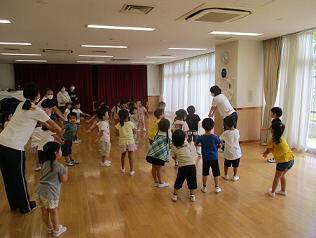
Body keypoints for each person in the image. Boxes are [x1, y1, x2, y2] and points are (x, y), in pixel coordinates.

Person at [0, 82, 61, 214]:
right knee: (19, 177)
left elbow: (40, 120)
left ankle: (14, 204)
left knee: (8, 177)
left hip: (2, 143)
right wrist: (58, 128)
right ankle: (25, 206)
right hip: (14, 147)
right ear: (37, 95)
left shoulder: (21, 105)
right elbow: (51, 123)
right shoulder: (36, 110)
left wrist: (50, 126)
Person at [34, 141, 68, 237]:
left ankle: (50, 228)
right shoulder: (59, 166)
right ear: (55, 154)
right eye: (60, 150)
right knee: (54, 212)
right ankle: (57, 230)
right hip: (51, 193)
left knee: (44, 211)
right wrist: (65, 171)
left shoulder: (44, 164)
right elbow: (64, 180)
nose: (61, 152)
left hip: (40, 191)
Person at [262, 122, 295, 197]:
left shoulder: (271, 140)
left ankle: (272, 192)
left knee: (277, 177)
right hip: (291, 159)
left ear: (272, 130)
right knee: (282, 175)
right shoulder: (282, 138)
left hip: (283, 161)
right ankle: (283, 191)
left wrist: (265, 153)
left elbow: (268, 150)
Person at [195, 118, 222, 194]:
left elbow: (196, 143)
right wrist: (217, 147)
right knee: (216, 173)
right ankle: (217, 187)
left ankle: (204, 187)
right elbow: (220, 145)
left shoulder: (202, 137)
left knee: (205, 173)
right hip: (214, 158)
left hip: (206, 158)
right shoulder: (215, 137)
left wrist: (201, 145)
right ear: (213, 127)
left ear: (203, 127)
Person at [171, 130, 197, 202]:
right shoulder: (187, 144)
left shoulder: (174, 148)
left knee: (179, 180)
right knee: (191, 180)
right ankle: (192, 195)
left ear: (173, 141)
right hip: (192, 165)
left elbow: (173, 157)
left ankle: (175, 195)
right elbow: (190, 152)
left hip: (183, 167)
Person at [146, 119, 171, 188]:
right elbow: (168, 146)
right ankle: (161, 183)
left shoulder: (158, 134)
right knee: (158, 169)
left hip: (152, 153)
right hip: (159, 155)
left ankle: (156, 182)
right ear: (168, 127)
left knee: (153, 168)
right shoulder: (166, 136)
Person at [219, 115, 242, 181]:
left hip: (228, 152)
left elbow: (219, 139)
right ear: (234, 123)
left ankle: (226, 175)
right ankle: (235, 176)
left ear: (225, 125)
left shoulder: (225, 133)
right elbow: (235, 140)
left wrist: (222, 144)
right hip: (236, 152)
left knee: (226, 164)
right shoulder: (237, 131)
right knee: (235, 165)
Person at [115, 109, 137, 176]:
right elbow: (135, 132)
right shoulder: (131, 123)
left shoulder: (118, 124)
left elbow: (116, 134)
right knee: (130, 156)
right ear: (128, 116)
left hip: (122, 142)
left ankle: (123, 168)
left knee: (123, 156)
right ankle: (131, 170)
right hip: (130, 141)